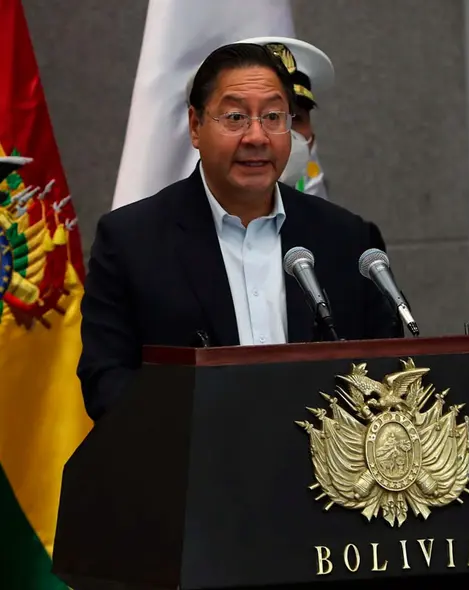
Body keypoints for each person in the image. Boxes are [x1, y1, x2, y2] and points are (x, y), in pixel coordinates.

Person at [77, 43, 402, 422]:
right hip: (195, 470)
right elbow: (106, 383)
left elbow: (389, 370)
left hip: (326, 474)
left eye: (273, 117)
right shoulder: (132, 240)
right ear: (195, 126)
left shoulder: (347, 239)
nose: (257, 136)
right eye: (235, 117)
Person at [240, 36, 333, 201]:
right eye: (271, 117)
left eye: (296, 118)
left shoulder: (333, 224)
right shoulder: (186, 220)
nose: (284, 135)